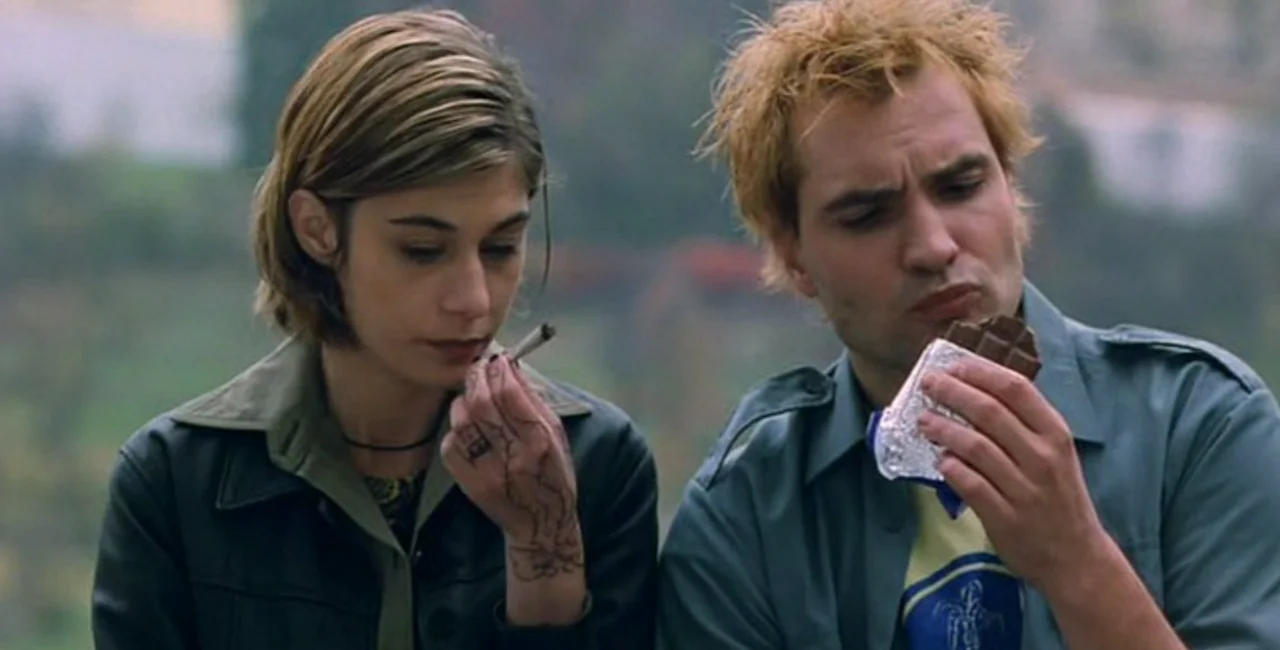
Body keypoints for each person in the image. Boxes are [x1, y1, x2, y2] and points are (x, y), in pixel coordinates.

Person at [656, 0, 1280, 648]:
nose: (932, 246)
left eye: (960, 186)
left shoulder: (1198, 426)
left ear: (1010, 184)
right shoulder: (749, 511)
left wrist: (1078, 564)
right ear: (793, 253)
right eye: (867, 215)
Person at [90, 9, 658, 650]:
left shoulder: (597, 465)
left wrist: (541, 553)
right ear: (317, 229)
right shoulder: (177, 483)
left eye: (500, 248)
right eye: (422, 251)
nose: (473, 300)